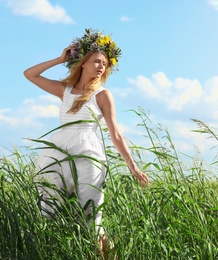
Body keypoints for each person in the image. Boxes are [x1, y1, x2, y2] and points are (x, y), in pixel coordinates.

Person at [24, 28, 148, 256]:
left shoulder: (102, 95)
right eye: (96, 61)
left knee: (92, 219)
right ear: (83, 63)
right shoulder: (65, 91)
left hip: (88, 157)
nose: (101, 66)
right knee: (49, 212)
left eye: (104, 63)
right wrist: (60, 59)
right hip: (58, 154)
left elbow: (116, 134)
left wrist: (133, 166)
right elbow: (29, 74)